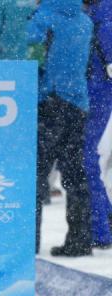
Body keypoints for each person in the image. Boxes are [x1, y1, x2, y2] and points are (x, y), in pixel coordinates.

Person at [28, 0, 93, 256]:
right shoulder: (84, 21)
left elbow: (30, 55)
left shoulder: (43, 18)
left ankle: (29, 240)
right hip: (77, 102)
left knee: (36, 174)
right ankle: (79, 240)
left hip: (49, 99)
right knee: (75, 174)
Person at [84, 0, 112, 248]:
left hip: (94, 91)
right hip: (95, 90)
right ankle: (103, 222)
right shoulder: (100, 11)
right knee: (86, 158)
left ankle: (101, 228)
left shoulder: (102, 13)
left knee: (85, 158)